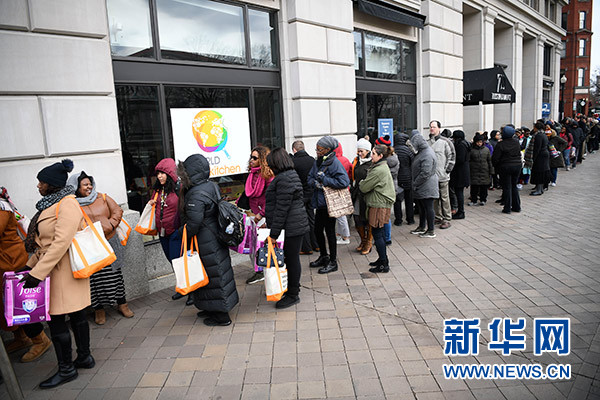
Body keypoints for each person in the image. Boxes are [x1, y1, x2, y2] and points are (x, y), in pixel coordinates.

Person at [23, 159, 95, 389]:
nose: (38, 186)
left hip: (63, 271)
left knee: (58, 321)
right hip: (56, 270)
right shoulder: (50, 205)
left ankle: (67, 369)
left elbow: (61, 242)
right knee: (75, 316)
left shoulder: (67, 204)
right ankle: (84, 358)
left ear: (51, 183)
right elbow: (43, 244)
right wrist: (29, 267)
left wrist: (37, 273)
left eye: (41, 182)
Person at [177, 154, 239, 326]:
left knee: (213, 275)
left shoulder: (195, 194)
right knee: (216, 272)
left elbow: (194, 222)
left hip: (205, 239)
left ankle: (222, 316)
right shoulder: (210, 185)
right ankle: (211, 307)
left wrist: (181, 233)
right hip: (214, 235)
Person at [66, 171, 133, 325]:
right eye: (85, 184)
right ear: (76, 187)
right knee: (95, 278)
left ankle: (122, 304)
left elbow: (117, 211)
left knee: (115, 274)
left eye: (90, 183)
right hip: (90, 246)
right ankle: (99, 309)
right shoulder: (72, 204)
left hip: (110, 240)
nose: (89, 187)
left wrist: (111, 224)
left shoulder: (102, 197)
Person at [1, 188, 51, 363]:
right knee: (7, 305)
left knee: (20, 304)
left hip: (10, 262)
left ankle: (40, 339)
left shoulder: (1, 207)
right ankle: (21, 337)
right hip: (5, 262)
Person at [264, 148, 308, 308]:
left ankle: (293, 294)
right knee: (291, 259)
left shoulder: (284, 179)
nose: (269, 168)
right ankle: (291, 288)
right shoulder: (289, 175)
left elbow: (281, 209)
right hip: (294, 225)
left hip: (291, 227)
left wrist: (273, 234)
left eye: (270, 164)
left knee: (291, 260)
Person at [307, 136, 351, 274]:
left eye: (319, 149)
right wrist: (314, 183)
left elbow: (344, 182)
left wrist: (324, 180)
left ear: (327, 149)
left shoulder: (334, 163)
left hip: (329, 204)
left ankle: (333, 261)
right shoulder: (318, 161)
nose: (317, 151)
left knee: (330, 232)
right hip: (320, 203)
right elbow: (310, 177)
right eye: (316, 149)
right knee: (317, 230)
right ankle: (324, 256)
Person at [146, 159, 186, 303]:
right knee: (172, 260)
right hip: (162, 232)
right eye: (158, 174)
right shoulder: (158, 190)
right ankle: (182, 286)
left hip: (176, 231)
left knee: (179, 261)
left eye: (162, 173)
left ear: (170, 174)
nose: (159, 176)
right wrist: (151, 203)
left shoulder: (179, 188)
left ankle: (190, 290)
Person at [359, 145, 396, 272]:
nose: (371, 155)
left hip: (379, 204)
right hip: (379, 203)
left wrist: (361, 182)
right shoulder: (380, 166)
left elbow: (364, 187)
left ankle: (383, 264)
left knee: (378, 234)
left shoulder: (379, 169)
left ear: (380, 156)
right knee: (378, 233)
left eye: (374, 153)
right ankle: (382, 259)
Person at [241, 146, 274, 285]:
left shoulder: (268, 176)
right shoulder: (252, 174)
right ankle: (259, 270)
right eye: (251, 157)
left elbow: (271, 199)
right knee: (253, 244)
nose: (251, 160)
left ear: (262, 159)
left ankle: (263, 271)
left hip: (263, 215)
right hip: (253, 214)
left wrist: (262, 214)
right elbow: (249, 193)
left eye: (255, 158)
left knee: (262, 245)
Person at [410, 130, 439, 238]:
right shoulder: (423, 152)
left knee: (428, 208)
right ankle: (422, 227)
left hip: (426, 185)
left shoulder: (427, 154)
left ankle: (430, 230)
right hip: (422, 185)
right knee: (422, 207)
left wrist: (415, 183)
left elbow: (425, 173)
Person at [291, 140, 318, 255]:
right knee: (312, 219)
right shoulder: (312, 160)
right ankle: (316, 244)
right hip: (312, 193)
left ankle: (306, 247)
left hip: (300, 195)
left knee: (303, 221)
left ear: (294, 149)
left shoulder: (293, 162)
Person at [428, 121, 455, 229]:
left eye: (434, 127)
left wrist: (447, 170)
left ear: (439, 128)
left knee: (444, 198)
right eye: (431, 127)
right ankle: (437, 217)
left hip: (443, 177)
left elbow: (452, 156)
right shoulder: (427, 143)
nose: (432, 129)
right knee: (434, 198)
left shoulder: (446, 142)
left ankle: (447, 219)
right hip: (432, 177)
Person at [492, 126, 522, 213]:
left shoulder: (500, 144)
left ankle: (507, 207)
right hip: (517, 165)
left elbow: (495, 158)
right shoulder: (516, 142)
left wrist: (496, 167)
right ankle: (516, 206)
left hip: (505, 167)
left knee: (507, 187)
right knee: (514, 186)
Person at [351, 138, 373, 255]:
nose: (359, 153)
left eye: (362, 151)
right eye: (358, 151)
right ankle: (363, 240)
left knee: (368, 219)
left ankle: (368, 241)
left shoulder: (372, 163)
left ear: (368, 151)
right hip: (357, 194)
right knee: (357, 218)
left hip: (367, 195)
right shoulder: (356, 161)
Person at [375, 135, 399, 244]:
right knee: (386, 214)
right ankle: (387, 237)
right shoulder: (393, 157)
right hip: (392, 187)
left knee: (385, 215)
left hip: (387, 189)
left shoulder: (385, 162)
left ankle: (386, 237)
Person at [393, 133, 415, 226]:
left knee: (397, 200)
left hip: (397, 178)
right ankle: (410, 219)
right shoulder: (408, 150)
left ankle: (398, 220)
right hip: (408, 177)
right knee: (409, 200)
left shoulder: (393, 150)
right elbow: (413, 162)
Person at [334, 143, 352, 245]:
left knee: (340, 216)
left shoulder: (334, 161)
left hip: (337, 190)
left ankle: (345, 236)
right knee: (341, 214)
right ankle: (341, 235)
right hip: (345, 189)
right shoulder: (345, 160)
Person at [450, 130, 470, 220]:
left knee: (459, 193)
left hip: (460, 173)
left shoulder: (460, 145)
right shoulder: (465, 144)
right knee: (459, 193)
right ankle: (460, 211)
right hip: (462, 172)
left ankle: (461, 212)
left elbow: (460, 159)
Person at [468, 133, 493, 206]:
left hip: (484, 170)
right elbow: (469, 160)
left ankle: (483, 199)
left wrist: (491, 170)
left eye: (480, 142)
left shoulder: (486, 150)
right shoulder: (471, 150)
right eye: (478, 142)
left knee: (484, 187)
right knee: (474, 187)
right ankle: (474, 200)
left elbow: (489, 160)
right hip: (474, 171)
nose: (479, 143)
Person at [529, 121, 551, 196]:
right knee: (542, 172)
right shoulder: (543, 134)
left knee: (539, 172)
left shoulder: (538, 136)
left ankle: (539, 189)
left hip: (540, 156)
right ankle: (540, 189)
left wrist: (534, 158)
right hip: (544, 155)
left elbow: (537, 148)